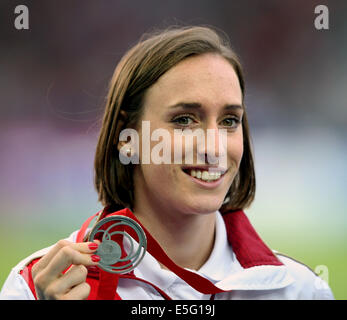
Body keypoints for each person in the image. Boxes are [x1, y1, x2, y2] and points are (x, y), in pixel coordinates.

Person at [0, 25, 334, 300]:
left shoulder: (299, 290)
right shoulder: (38, 287)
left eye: (230, 121)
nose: (214, 146)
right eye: (185, 119)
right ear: (126, 137)